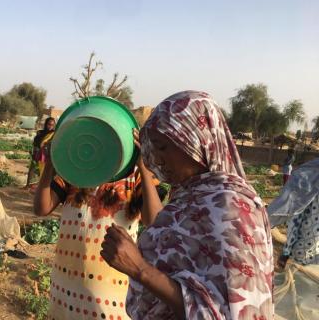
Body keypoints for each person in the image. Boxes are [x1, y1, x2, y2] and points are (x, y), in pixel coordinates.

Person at [100, 91, 274, 320]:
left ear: (194, 140)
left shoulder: (231, 209)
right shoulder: (190, 198)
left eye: (163, 147)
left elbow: (232, 313)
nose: (159, 160)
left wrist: (141, 270)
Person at [33, 129, 163, 320]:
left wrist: (143, 167)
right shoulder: (73, 174)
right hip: (66, 291)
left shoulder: (134, 178)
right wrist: (50, 167)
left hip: (112, 296)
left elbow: (155, 221)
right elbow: (41, 208)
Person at [268, 158, 319, 268]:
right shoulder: (310, 169)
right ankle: (287, 255)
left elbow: (289, 199)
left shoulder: (309, 169)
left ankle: (288, 255)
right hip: (307, 213)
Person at [25, 117, 56, 189]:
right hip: (37, 153)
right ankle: (27, 185)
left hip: (46, 155)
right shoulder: (40, 133)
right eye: (49, 124)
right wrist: (34, 151)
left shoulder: (53, 134)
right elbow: (35, 143)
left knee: (45, 172)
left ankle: (43, 187)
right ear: (46, 124)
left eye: (52, 125)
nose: (50, 126)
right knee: (32, 169)